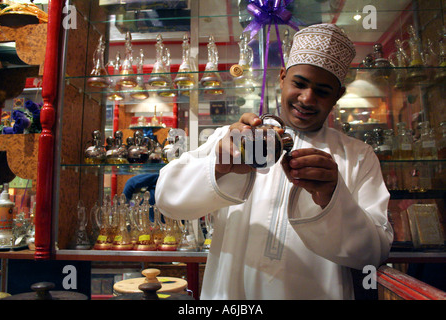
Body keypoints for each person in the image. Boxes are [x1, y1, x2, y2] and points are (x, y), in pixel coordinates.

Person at [155, 23, 393, 299]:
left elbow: (373, 252)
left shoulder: (358, 156)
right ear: (282, 77)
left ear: (338, 96)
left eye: (323, 91)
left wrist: (331, 195)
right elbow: (167, 199)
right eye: (299, 84)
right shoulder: (234, 138)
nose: (307, 99)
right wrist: (221, 166)